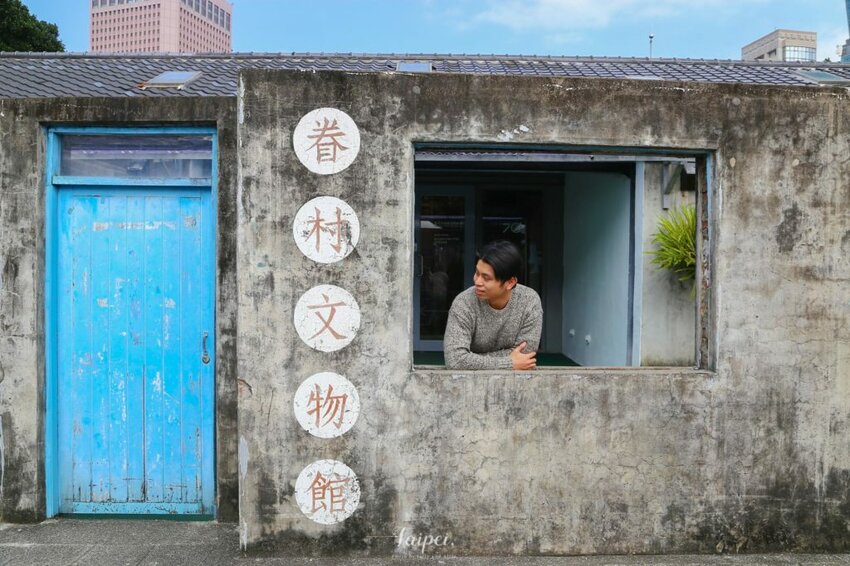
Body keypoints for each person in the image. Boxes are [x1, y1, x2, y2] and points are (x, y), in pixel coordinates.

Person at [443, 240, 543, 370]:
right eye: (477, 273)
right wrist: (509, 363)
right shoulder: (464, 303)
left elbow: (524, 355)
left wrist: (471, 358)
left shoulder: (529, 301)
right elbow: (455, 360)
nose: (477, 281)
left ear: (510, 282)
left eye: (486, 277)